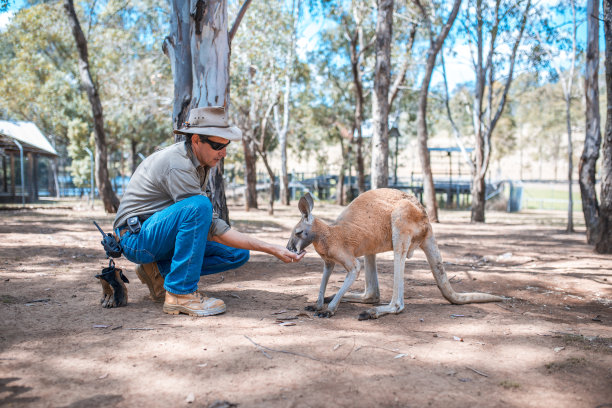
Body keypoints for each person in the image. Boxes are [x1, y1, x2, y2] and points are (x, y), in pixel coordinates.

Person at [113, 106, 305, 317]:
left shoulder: (199, 162)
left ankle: (157, 271)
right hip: (137, 240)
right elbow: (209, 224)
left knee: (237, 253)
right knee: (200, 206)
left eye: (226, 145)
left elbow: (207, 226)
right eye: (216, 146)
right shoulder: (178, 164)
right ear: (196, 140)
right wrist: (271, 248)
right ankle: (180, 293)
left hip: (156, 236)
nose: (223, 153)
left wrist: (270, 248)